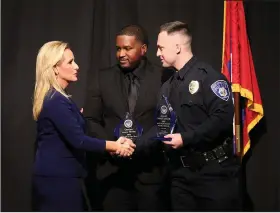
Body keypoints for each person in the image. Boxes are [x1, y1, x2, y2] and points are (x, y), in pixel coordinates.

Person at [32, 41, 135, 212]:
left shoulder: (61, 99)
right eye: (70, 62)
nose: (77, 66)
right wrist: (115, 146)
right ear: (55, 68)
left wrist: (116, 140)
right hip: (57, 181)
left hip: (65, 178)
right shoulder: (56, 101)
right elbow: (79, 140)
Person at [83, 25, 173, 211]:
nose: (121, 54)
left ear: (143, 49)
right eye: (118, 49)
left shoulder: (163, 77)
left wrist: (135, 147)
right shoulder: (103, 77)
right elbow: (91, 119)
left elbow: (165, 122)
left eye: (127, 48)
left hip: (150, 173)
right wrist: (113, 146)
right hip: (111, 173)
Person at [155, 21, 241, 211]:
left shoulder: (209, 78)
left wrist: (185, 138)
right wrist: (130, 145)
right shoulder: (168, 86)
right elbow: (162, 125)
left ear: (177, 47)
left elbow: (222, 119)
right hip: (180, 177)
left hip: (213, 176)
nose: (157, 53)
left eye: (161, 47)